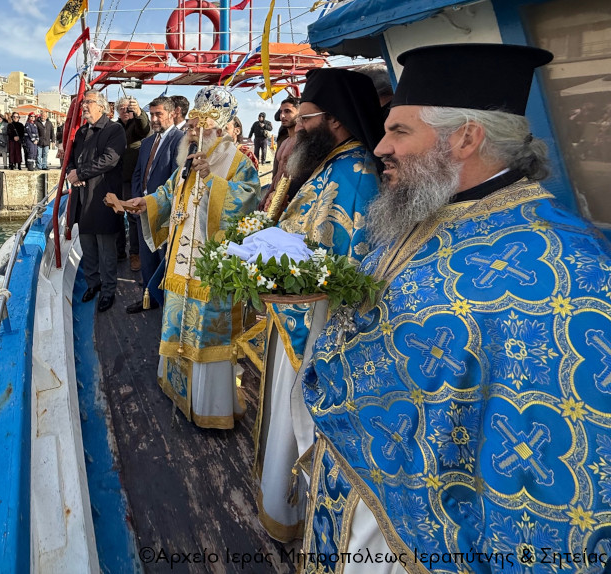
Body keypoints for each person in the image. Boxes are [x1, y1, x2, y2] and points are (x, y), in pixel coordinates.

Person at [300, 43, 611, 572]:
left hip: (430, 534)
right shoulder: (428, 210)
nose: (380, 147)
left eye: (399, 131)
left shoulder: (568, 272)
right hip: (356, 486)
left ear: (466, 138)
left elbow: (555, 486)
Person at [254, 67, 384, 542]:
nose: (297, 126)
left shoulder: (357, 175)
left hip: (315, 329)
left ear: (336, 120)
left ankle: (294, 511)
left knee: (296, 421)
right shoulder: (329, 163)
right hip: (293, 315)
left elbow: (345, 262)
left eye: (305, 118)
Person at [121, 86, 260, 428]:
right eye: (192, 124)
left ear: (218, 126)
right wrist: (146, 203)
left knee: (207, 335)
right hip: (181, 263)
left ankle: (211, 407)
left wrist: (211, 180)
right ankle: (178, 392)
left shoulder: (238, 162)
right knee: (178, 328)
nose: (192, 130)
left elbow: (247, 201)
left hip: (211, 271)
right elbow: (168, 194)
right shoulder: (187, 160)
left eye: (200, 124)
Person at [66, 91, 127, 313]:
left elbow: (110, 159)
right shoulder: (82, 132)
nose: (84, 106)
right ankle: (93, 284)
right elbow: (72, 158)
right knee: (87, 244)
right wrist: (73, 172)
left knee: (106, 248)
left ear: (101, 106)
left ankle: (108, 290)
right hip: (82, 197)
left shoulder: (114, 129)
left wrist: (81, 173)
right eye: (83, 103)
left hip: (102, 196)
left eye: (88, 102)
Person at [125, 95, 185, 314]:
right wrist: (136, 200)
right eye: (151, 115)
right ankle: (148, 299)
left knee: (164, 262)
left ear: (173, 113)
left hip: (164, 213)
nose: (154, 119)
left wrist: (155, 204)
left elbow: (177, 181)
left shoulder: (181, 141)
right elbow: (138, 174)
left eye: (159, 114)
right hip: (143, 211)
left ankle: (168, 308)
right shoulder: (147, 142)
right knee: (147, 258)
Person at [117, 97, 151, 271]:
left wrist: (138, 112)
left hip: (134, 179)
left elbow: (145, 127)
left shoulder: (136, 126)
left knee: (133, 216)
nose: (125, 111)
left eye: (128, 108)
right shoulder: (115, 127)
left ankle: (135, 253)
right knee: (115, 214)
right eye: (122, 108)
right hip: (116, 178)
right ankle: (119, 251)